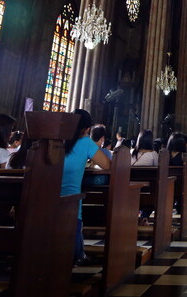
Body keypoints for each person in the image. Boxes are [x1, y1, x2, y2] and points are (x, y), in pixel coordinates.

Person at [61, 109, 110, 265]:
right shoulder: (85, 142)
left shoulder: (57, 140)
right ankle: (77, 256)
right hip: (71, 201)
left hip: (46, 199)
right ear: (87, 128)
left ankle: (78, 253)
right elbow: (107, 164)